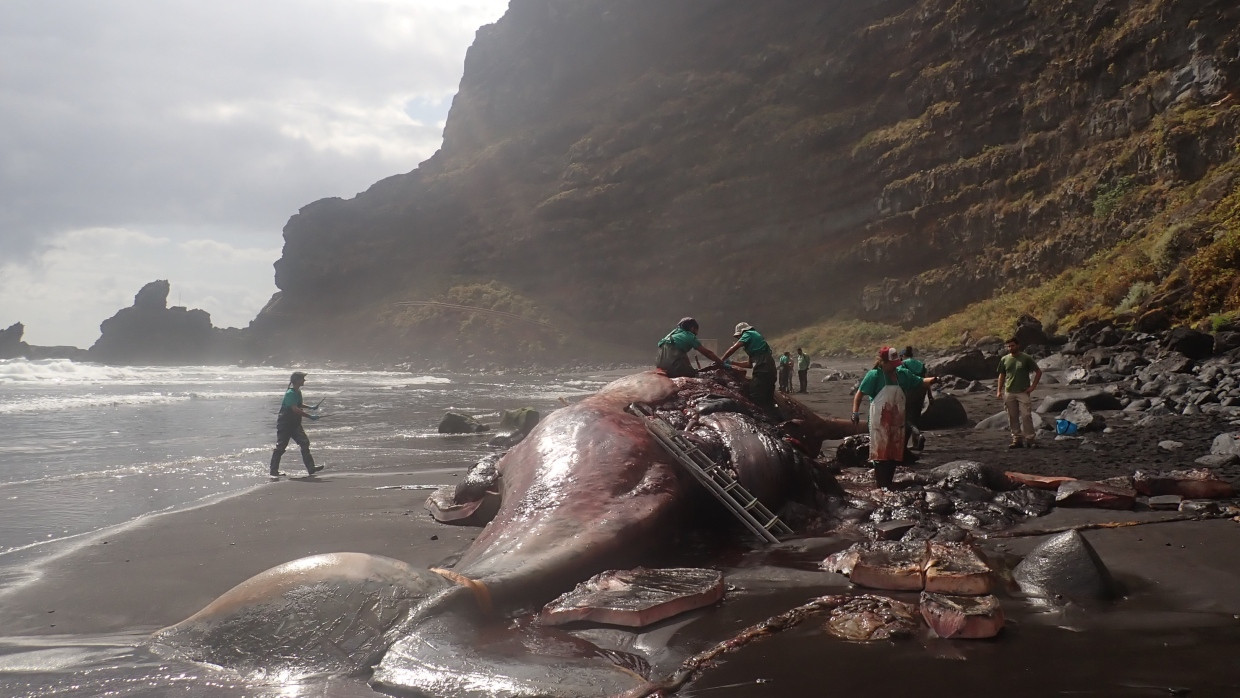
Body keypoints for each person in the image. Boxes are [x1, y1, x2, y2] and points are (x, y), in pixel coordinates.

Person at [851, 346, 937, 488]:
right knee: (880, 454)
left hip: (897, 420)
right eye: (892, 364)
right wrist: (855, 412)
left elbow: (920, 381)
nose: (895, 366)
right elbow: (859, 394)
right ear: (884, 362)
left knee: (894, 452)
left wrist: (934, 380)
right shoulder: (874, 375)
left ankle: (887, 484)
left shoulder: (902, 374)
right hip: (879, 421)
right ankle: (881, 485)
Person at [270, 371, 324, 477]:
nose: (304, 380)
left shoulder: (297, 392)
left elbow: (298, 404)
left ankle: (311, 468)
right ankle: (273, 471)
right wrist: (310, 417)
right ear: (297, 380)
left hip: (295, 424)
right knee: (281, 447)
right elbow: (295, 410)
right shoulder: (290, 393)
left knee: (305, 443)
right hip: (285, 425)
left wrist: (310, 407)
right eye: (302, 379)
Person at [997, 337, 1043, 449]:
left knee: (1026, 415)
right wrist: (999, 390)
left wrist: (1033, 386)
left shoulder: (1026, 358)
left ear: (1018, 345)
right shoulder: (1005, 359)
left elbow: (1038, 372)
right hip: (1009, 392)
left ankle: (1030, 439)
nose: (1010, 348)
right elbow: (1002, 375)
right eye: (1008, 346)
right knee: (1012, 416)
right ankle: (1016, 439)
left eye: (1012, 345)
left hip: (1023, 392)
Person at [720, 322, 777, 408]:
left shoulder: (748, 333)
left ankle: (761, 418)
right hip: (769, 368)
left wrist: (721, 360)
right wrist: (732, 363)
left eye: (739, 337)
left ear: (742, 332)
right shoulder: (755, 347)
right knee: (768, 397)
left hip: (763, 368)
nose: (739, 338)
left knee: (756, 394)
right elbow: (749, 364)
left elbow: (734, 347)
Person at [656, 317, 723, 378]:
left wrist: (690, 368)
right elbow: (708, 353)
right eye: (696, 330)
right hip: (674, 370)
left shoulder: (672, 335)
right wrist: (722, 363)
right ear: (692, 328)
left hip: (661, 368)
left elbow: (682, 355)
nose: (696, 334)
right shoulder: (689, 336)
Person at [900, 346, 932, 450]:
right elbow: (926, 380)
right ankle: (914, 444)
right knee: (915, 417)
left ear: (903, 356)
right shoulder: (920, 364)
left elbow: (902, 379)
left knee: (906, 419)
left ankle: (917, 435)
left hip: (909, 391)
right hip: (921, 391)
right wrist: (930, 395)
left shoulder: (904, 364)